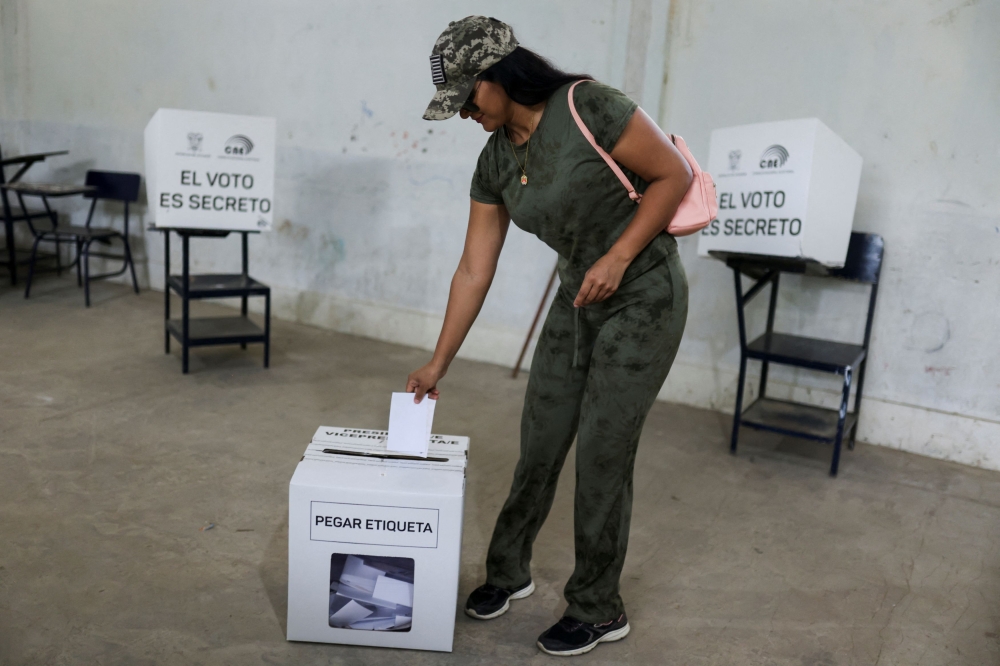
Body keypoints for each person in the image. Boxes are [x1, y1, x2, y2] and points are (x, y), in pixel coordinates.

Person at [407, 16, 691, 657]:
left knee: (602, 451)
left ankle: (598, 606)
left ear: (498, 75)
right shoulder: (495, 160)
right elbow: (475, 267)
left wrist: (617, 257)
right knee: (539, 438)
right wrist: (438, 362)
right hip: (578, 298)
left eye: (466, 98)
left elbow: (672, 175)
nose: (462, 114)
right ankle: (508, 572)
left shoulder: (591, 107)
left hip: (643, 294)